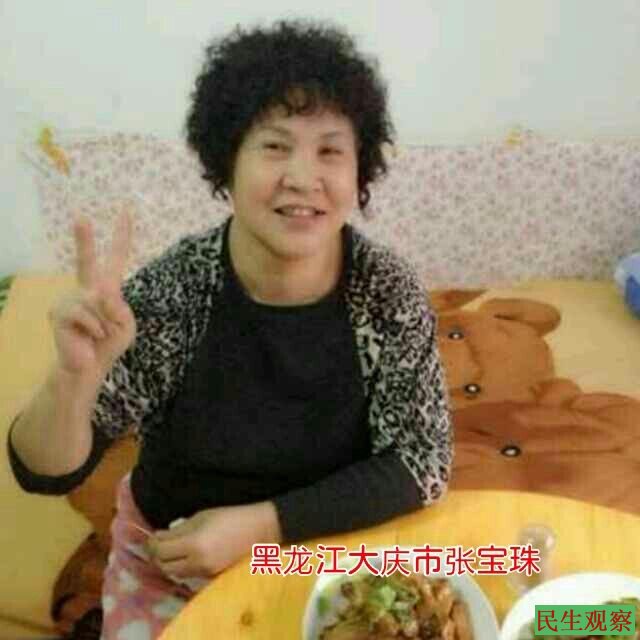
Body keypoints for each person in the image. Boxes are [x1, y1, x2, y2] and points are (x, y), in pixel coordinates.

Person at [8, 19, 453, 639]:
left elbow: (422, 460)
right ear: (228, 161)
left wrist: (261, 527)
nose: (303, 177)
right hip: (176, 556)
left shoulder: (386, 290)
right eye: (275, 146)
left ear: (360, 172)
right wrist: (72, 379)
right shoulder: (174, 291)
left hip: (327, 549)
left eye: (330, 151)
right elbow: (44, 471)